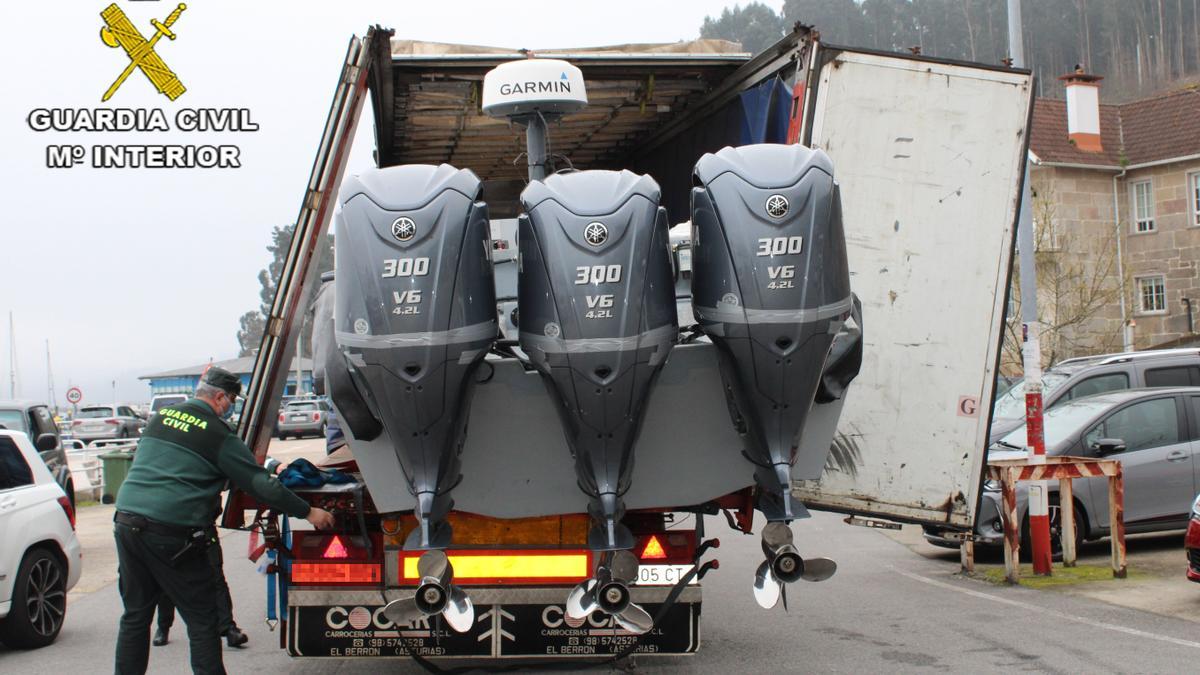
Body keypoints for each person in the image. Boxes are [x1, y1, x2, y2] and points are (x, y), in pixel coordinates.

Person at [113, 367, 335, 674]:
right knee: (202, 619)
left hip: (127, 524)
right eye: (231, 400)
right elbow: (260, 484)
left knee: (135, 616)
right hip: (174, 532)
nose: (231, 406)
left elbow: (173, 468)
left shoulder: (160, 419)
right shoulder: (216, 432)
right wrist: (309, 512)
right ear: (219, 397)